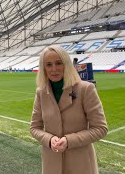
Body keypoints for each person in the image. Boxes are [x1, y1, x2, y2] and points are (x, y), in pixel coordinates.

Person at [30, 45, 107, 174]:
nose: (54, 69)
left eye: (58, 63)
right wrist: (49, 139)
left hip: (81, 164)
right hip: (51, 163)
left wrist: (69, 141)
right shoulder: (41, 92)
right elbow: (34, 128)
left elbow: (101, 128)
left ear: (66, 64)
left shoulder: (86, 89)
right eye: (48, 64)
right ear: (43, 68)